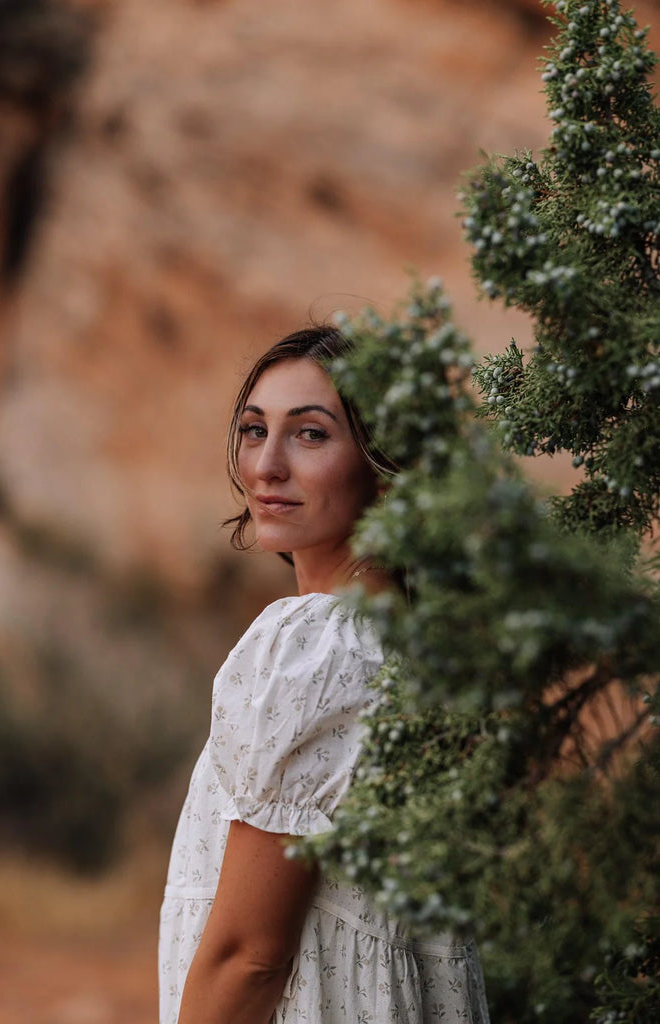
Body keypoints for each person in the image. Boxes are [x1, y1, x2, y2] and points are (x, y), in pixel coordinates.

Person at [158, 326, 490, 1024]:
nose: (266, 466)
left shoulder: (312, 644)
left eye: (310, 435)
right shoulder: (416, 642)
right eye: (254, 430)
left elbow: (249, 955)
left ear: (382, 464)